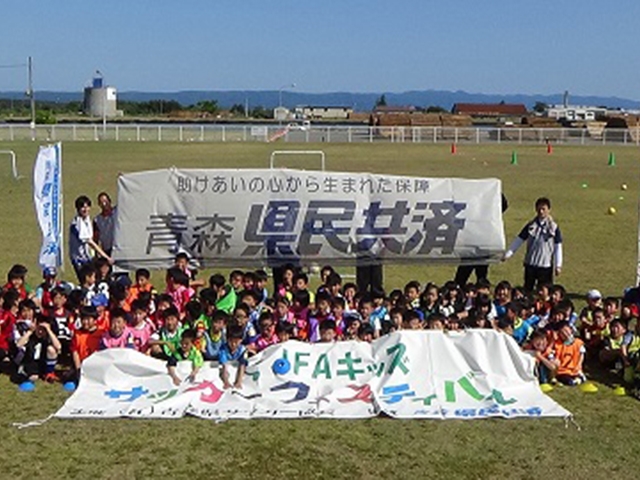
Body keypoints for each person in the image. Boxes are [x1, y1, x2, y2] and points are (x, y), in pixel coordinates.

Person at [503, 197, 563, 292]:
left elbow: (557, 246)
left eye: (544, 209)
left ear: (549, 210)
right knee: (527, 289)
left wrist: (558, 265)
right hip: (530, 264)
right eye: (539, 209)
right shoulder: (531, 226)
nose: (541, 211)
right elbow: (519, 240)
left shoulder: (553, 227)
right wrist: (508, 254)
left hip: (545, 266)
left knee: (544, 291)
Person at [69, 195, 113, 282]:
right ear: (78, 209)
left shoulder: (87, 219)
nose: (85, 209)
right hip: (79, 259)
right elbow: (90, 242)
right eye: (82, 207)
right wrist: (106, 257)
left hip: (87, 257)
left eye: (87, 206)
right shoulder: (78, 223)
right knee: (87, 282)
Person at [219, 325, 248, 389]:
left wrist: (239, 382)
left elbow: (242, 365)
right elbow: (224, 366)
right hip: (227, 371)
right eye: (231, 341)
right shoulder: (223, 349)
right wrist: (226, 382)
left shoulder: (243, 350)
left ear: (241, 340)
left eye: (236, 342)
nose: (233, 344)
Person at [93, 192, 117, 257]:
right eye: (101, 202)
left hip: (119, 248)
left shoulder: (117, 212)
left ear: (109, 201)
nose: (104, 204)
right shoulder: (97, 220)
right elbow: (96, 239)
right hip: (107, 250)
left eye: (105, 201)